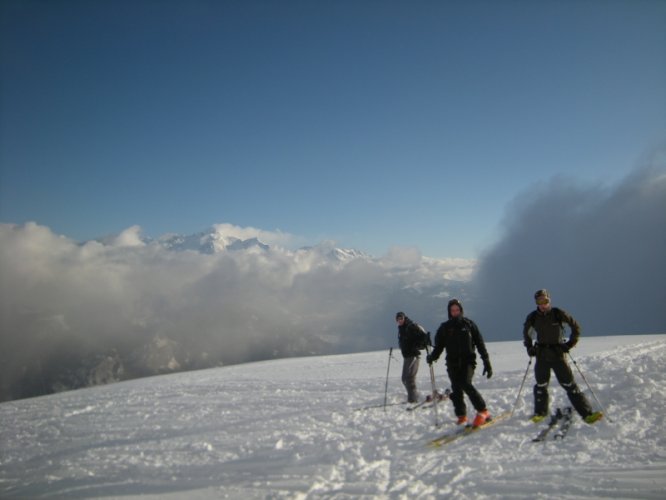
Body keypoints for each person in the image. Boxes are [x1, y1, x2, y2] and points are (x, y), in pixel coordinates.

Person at [523, 289, 603, 424]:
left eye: (545, 301)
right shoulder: (532, 317)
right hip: (541, 354)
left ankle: (587, 414)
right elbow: (527, 334)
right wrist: (529, 348)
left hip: (558, 354)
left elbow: (575, 327)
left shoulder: (558, 313)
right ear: (536, 302)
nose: (543, 304)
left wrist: (571, 343)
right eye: (539, 301)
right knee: (541, 385)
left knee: (569, 384)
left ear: (549, 300)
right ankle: (540, 413)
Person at [426, 299, 493, 427]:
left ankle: (483, 411)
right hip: (452, 363)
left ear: (461, 310)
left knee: (465, 383)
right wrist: (432, 357)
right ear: (449, 312)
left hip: (468, 361)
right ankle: (461, 416)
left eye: (457, 310)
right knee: (456, 389)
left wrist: (486, 362)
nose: (455, 312)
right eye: (452, 310)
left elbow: (480, 344)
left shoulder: (469, 325)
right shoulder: (445, 328)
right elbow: (439, 346)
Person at [395, 311, 429, 403]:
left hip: (413, 355)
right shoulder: (402, 328)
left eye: (401, 318)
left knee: (408, 378)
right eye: (398, 319)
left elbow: (421, 338)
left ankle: (413, 399)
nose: (400, 320)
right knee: (406, 378)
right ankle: (414, 396)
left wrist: (415, 345)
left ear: (404, 318)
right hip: (407, 356)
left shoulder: (410, 327)